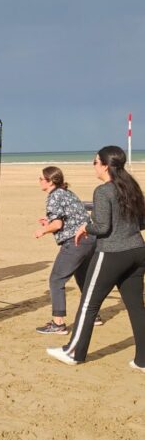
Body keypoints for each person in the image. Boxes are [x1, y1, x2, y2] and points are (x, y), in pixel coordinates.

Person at [47, 146, 145, 371]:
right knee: (136, 307)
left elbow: (102, 227)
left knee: (88, 304)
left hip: (112, 252)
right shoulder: (132, 187)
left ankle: (73, 352)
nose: (93, 166)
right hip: (138, 251)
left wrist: (85, 227)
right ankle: (143, 360)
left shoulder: (103, 191)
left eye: (94, 162)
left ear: (105, 165)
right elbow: (141, 222)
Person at [34, 166, 97, 334]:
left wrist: (44, 230)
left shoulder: (54, 196)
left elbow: (58, 224)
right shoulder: (67, 192)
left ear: (51, 181)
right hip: (90, 240)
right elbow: (70, 216)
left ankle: (58, 323)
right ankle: (93, 315)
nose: (39, 182)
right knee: (83, 278)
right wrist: (49, 222)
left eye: (41, 179)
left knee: (56, 280)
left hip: (76, 242)